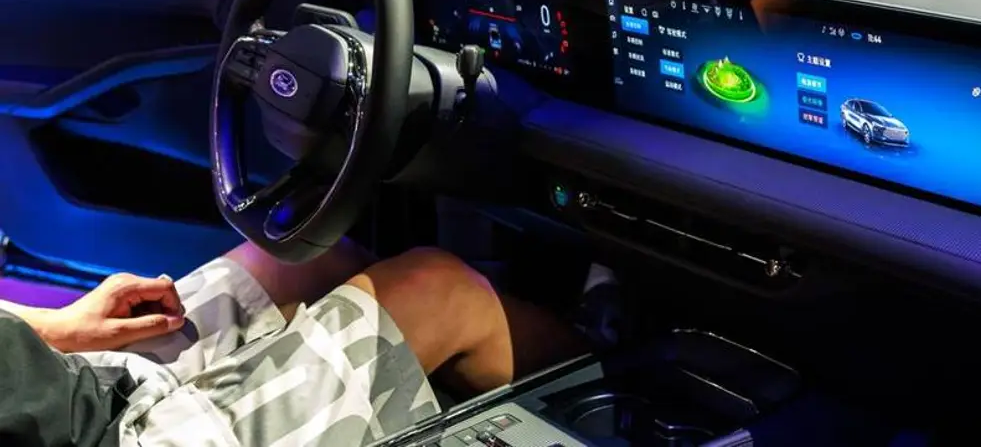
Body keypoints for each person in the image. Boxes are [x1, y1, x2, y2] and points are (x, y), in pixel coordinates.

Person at [0, 241, 586, 446]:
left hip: (66, 385)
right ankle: (616, 384)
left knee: (301, 261)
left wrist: (52, 326)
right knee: (440, 291)